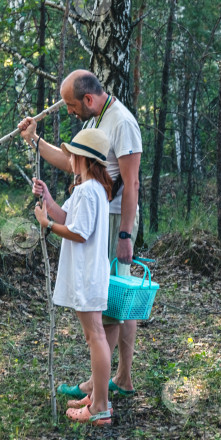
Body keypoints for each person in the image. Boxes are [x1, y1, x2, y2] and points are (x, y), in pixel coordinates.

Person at [19, 69, 142, 399]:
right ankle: (102, 380)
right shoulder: (95, 121)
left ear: (88, 99)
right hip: (98, 217)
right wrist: (35, 140)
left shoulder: (121, 122)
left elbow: (131, 183)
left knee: (118, 301)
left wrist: (126, 235)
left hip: (115, 222)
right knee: (107, 303)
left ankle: (120, 378)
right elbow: (72, 160)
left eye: (72, 105)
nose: (70, 112)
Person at [32, 128, 113, 425]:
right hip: (86, 274)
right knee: (94, 336)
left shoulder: (90, 191)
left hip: (88, 274)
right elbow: (67, 217)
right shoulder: (86, 189)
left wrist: (46, 225)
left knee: (95, 337)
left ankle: (100, 408)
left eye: (72, 154)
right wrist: (48, 199)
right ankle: (98, 398)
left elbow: (78, 233)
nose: (68, 158)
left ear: (83, 158)